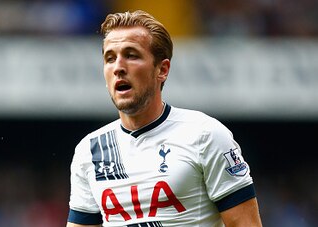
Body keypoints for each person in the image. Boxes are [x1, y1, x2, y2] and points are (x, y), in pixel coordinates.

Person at [67, 10, 262, 227]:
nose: (119, 68)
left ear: (162, 69)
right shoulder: (89, 149)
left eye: (131, 55)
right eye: (110, 58)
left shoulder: (205, 135)